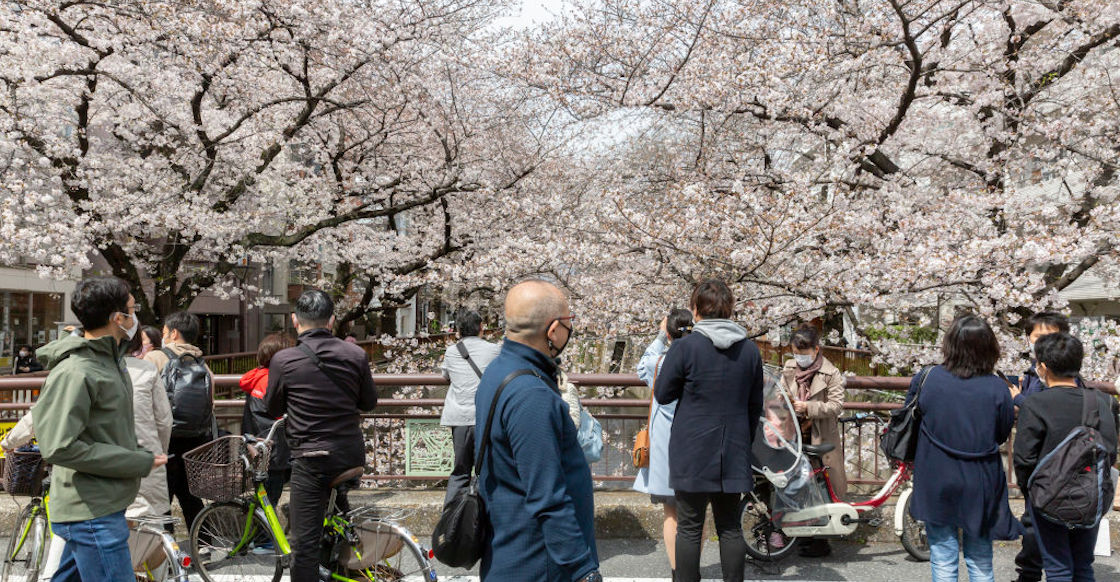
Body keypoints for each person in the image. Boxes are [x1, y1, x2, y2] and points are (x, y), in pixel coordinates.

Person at [32, 276, 167, 581]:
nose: (136, 318)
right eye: (132, 310)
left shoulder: (109, 362)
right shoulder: (78, 370)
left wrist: (139, 455)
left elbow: (102, 431)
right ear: (117, 318)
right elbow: (58, 445)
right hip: (92, 511)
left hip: (102, 504)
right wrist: (134, 460)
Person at [474, 280, 601, 582]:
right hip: (537, 562)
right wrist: (582, 570)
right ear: (553, 329)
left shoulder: (499, 371)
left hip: (511, 544)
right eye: (569, 322)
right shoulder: (531, 394)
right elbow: (548, 495)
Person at [265, 290, 378, 582]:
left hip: (312, 459)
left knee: (304, 546)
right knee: (336, 518)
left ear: (294, 321)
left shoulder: (283, 360)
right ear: (332, 320)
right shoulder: (356, 354)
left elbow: (272, 407)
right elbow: (368, 402)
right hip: (351, 455)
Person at [655, 279, 764, 582]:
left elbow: (663, 394)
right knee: (729, 526)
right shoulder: (750, 351)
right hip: (734, 448)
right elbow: (755, 407)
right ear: (730, 309)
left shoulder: (685, 347)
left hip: (691, 450)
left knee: (689, 527)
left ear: (696, 310)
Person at [906, 314, 1022, 582]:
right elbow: (1002, 433)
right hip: (979, 479)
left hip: (936, 475)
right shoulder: (998, 387)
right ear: (989, 347)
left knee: (943, 557)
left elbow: (913, 414)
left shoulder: (929, 377)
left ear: (950, 345)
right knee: (980, 558)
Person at [1013, 333, 1119, 582]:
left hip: (1047, 497)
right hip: (1091, 494)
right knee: (1083, 566)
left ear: (1044, 367)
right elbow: (1110, 451)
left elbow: (1024, 460)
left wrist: (1032, 492)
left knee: (1058, 567)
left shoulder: (1035, 404)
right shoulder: (1103, 401)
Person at [633, 308, 692, 579]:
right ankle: (692, 568)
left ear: (668, 332)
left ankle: (677, 571)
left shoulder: (657, 362)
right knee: (694, 515)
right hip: (694, 443)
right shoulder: (698, 359)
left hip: (664, 447)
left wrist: (659, 335)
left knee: (672, 514)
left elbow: (642, 363)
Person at [1012, 311, 1071, 582]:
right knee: (1033, 524)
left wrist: (1020, 400)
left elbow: (1050, 411)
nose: (1043, 343)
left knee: (1041, 524)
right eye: (1037, 337)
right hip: (1038, 460)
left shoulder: (1065, 374)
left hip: (1056, 460)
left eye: (1050, 336)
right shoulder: (1030, 373)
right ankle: (1032, 572)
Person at [779, 324, 847, 557]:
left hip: (820, 436)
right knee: (793, 485)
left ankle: (819, 541)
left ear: (816, 350)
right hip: (793, 435)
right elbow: (779, 393)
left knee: (820, 489)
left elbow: (836, 406)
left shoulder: (831, 373)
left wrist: (809, 406)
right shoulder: (789, 368)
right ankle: (793, 533)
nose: (799, 357)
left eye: (804, 353)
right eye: (796, 352)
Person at [144, 311, 213, 533]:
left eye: (164, 332)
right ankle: (203, 544)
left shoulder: (155, 358)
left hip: (165, 437)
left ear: (173, 333)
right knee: (189, 492)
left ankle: (165, 547)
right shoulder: (201, 363)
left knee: (162, 493)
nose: (163, 336)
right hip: (196, 438)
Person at [438, 309, 500, 504]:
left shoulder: (451, 352)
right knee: (487, 472)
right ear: (481, 328)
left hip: (460, 419)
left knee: (460, 473)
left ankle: (451, 524)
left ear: (458, 330)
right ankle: (485, 522)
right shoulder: (494, 350)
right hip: (485, 419)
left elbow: (445, 376)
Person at [123, 325, 174, 521]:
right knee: (152, 527)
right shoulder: (146, 369)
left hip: (106, 467)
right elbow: (164, 420)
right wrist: (159, 451)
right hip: (147, 457)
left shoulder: (92, 369)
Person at [240, 332, 296, 504]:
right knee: (268, 504)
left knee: (266, 502)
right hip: (276, 452)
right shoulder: (274, 382)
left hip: (261, 449)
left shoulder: (258, 378)